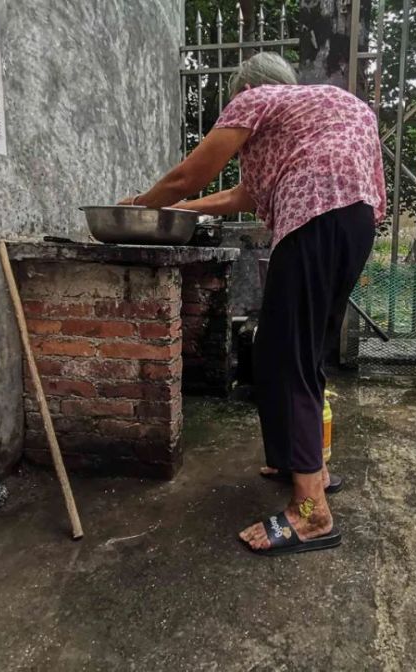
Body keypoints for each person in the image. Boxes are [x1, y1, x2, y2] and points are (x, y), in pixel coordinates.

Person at [120, 52, 385, 556]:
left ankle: (311, 514)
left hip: (313, 219)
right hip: (354, 225)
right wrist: (181, 209)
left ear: (246, 91)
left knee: (283, 357)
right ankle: (309, 465)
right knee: (300, 353)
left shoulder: (257, 98)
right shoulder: (324, 113)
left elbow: (187, 176)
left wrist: (140, 206)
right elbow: (244, 193)